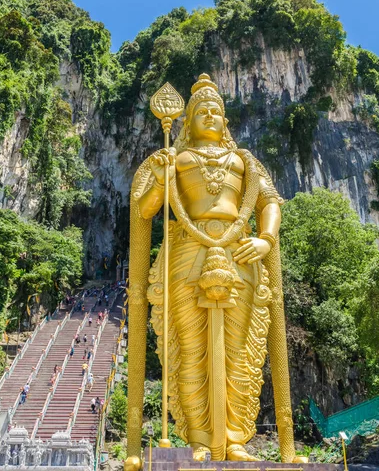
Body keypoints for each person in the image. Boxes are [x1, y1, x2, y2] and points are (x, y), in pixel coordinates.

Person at [126, 74, 298, 464]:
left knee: (240, 351)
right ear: (186, 121)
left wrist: (265, 239)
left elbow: (269, 202)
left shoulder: (245, 161)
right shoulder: (176, 158)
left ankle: (236, 440)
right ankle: (200, 440)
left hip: (240, 253)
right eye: (200, 111)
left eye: (215, 111)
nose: (209, 115)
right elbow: (145, 209)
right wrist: (161, 178)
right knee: (190, 349)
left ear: (225, 121)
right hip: (188, 253)